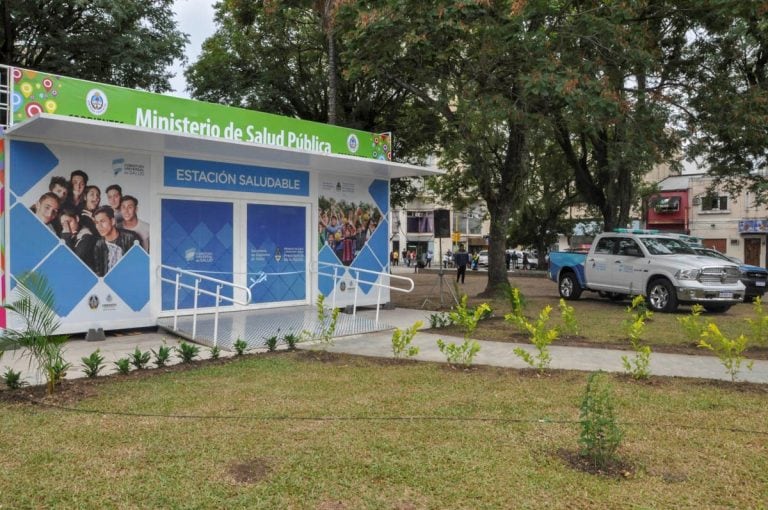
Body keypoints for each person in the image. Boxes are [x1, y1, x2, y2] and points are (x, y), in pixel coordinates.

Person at [92, 206, 141, 277]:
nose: (99, 226)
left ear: (112, 221)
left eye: (102, 221)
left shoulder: (131, 238)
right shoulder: (99, 244)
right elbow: (99, 272)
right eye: (96, 222)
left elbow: (138, 268)